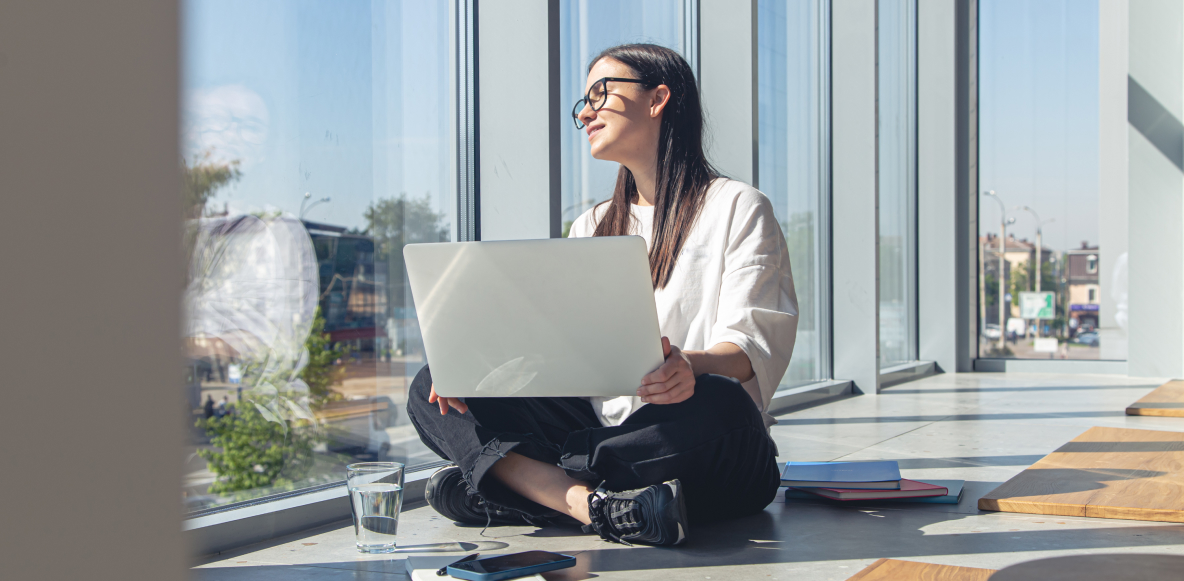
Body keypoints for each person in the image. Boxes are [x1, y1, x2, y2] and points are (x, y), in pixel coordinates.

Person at [406, 44, 798, 547]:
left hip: (689, 440)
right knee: (431, 387)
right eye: (583, 103)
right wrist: (476, 370)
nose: (586, 112)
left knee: (724, 405)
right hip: (599, 424)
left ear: (658, 99)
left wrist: (688, 366)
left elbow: (751, 348)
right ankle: (593, 506)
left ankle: (520, 485)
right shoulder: (591, 225)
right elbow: (559, 351)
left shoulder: (738, 207)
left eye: (600, 93)